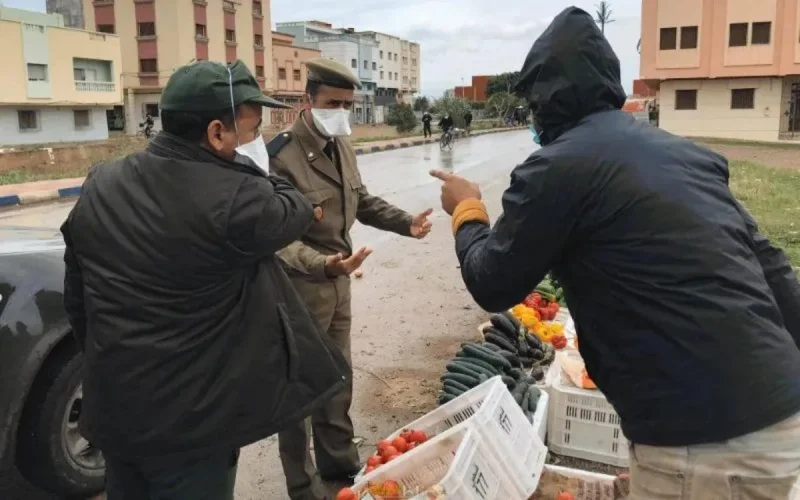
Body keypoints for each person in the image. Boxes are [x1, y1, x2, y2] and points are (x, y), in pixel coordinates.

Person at [431, 7, 800, 499]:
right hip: (774, 413)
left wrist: (468, 210)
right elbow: (771, 266)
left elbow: (493, 282)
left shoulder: (556, 168)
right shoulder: (686, 155)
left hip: (705, 436)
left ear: (543, 100)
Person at [61, 60, 350, 500]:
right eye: (252, 133)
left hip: (118, 410)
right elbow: (292, 207)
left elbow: (78, 297)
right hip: (191, 428)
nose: (255, 142)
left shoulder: (102, 180)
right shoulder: (238, 198)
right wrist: (257, 164)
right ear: (217, 133)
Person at [268, 58, 433, 500]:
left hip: (339, 284)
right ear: (308, 100)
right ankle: (302, 486)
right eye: (333, 102)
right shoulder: (279, 156)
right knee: (299, 391)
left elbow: (359, 201)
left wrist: (405, 223)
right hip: (301, 288)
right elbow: (276, 237)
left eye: (347, 103)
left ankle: (339, 465)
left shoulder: (340, 144)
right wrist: (324, 265)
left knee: (338, 378)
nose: (342, 111)